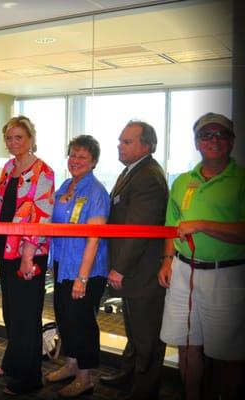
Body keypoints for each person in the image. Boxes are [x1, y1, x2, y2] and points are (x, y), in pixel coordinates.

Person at [158, 113, 245, 400]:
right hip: (184, 272)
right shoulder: (183, 181)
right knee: (187, 345)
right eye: (206, 135)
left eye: (221, 134)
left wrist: (203, 225)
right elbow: (172, 226)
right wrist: (168, 260)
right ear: (197, 142)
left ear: (231, 141)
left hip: (227, 275)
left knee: (227, 354)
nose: (213, 140)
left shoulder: (240, 179)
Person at [100, 120, 168, 400]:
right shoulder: (132, 172)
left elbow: (138, 231)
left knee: (147, 334)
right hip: (134, 271)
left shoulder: (148, 177)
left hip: (142, 271)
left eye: (126, 141)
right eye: (120, 140)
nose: (120, 145)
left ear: (146, 146)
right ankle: (128, 375)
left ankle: (145, 389)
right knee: (134, 328)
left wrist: (119, 268)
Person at [46, 135, 109, 398]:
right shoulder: (65, 186)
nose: (75, 160)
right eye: (72, 155)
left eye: (82, 156)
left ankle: (86, 378)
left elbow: (94, 239)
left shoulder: (96, 192)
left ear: (94, 161)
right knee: (64, 317)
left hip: (87, 269)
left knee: (82, 322)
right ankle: (72, 365)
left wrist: (82, 279)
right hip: (63, 264)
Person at [0, 115, 54, 395]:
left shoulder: (43, 171)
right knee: (11, 312)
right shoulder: (8, 168)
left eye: (19, 137)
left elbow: (42, 215)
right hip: (7, 249)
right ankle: (14, 364)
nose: (13, 142)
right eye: (9, 137)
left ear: (30, 139)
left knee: (27, 315)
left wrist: (28, 254)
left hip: (28, 253)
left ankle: (29, 378)